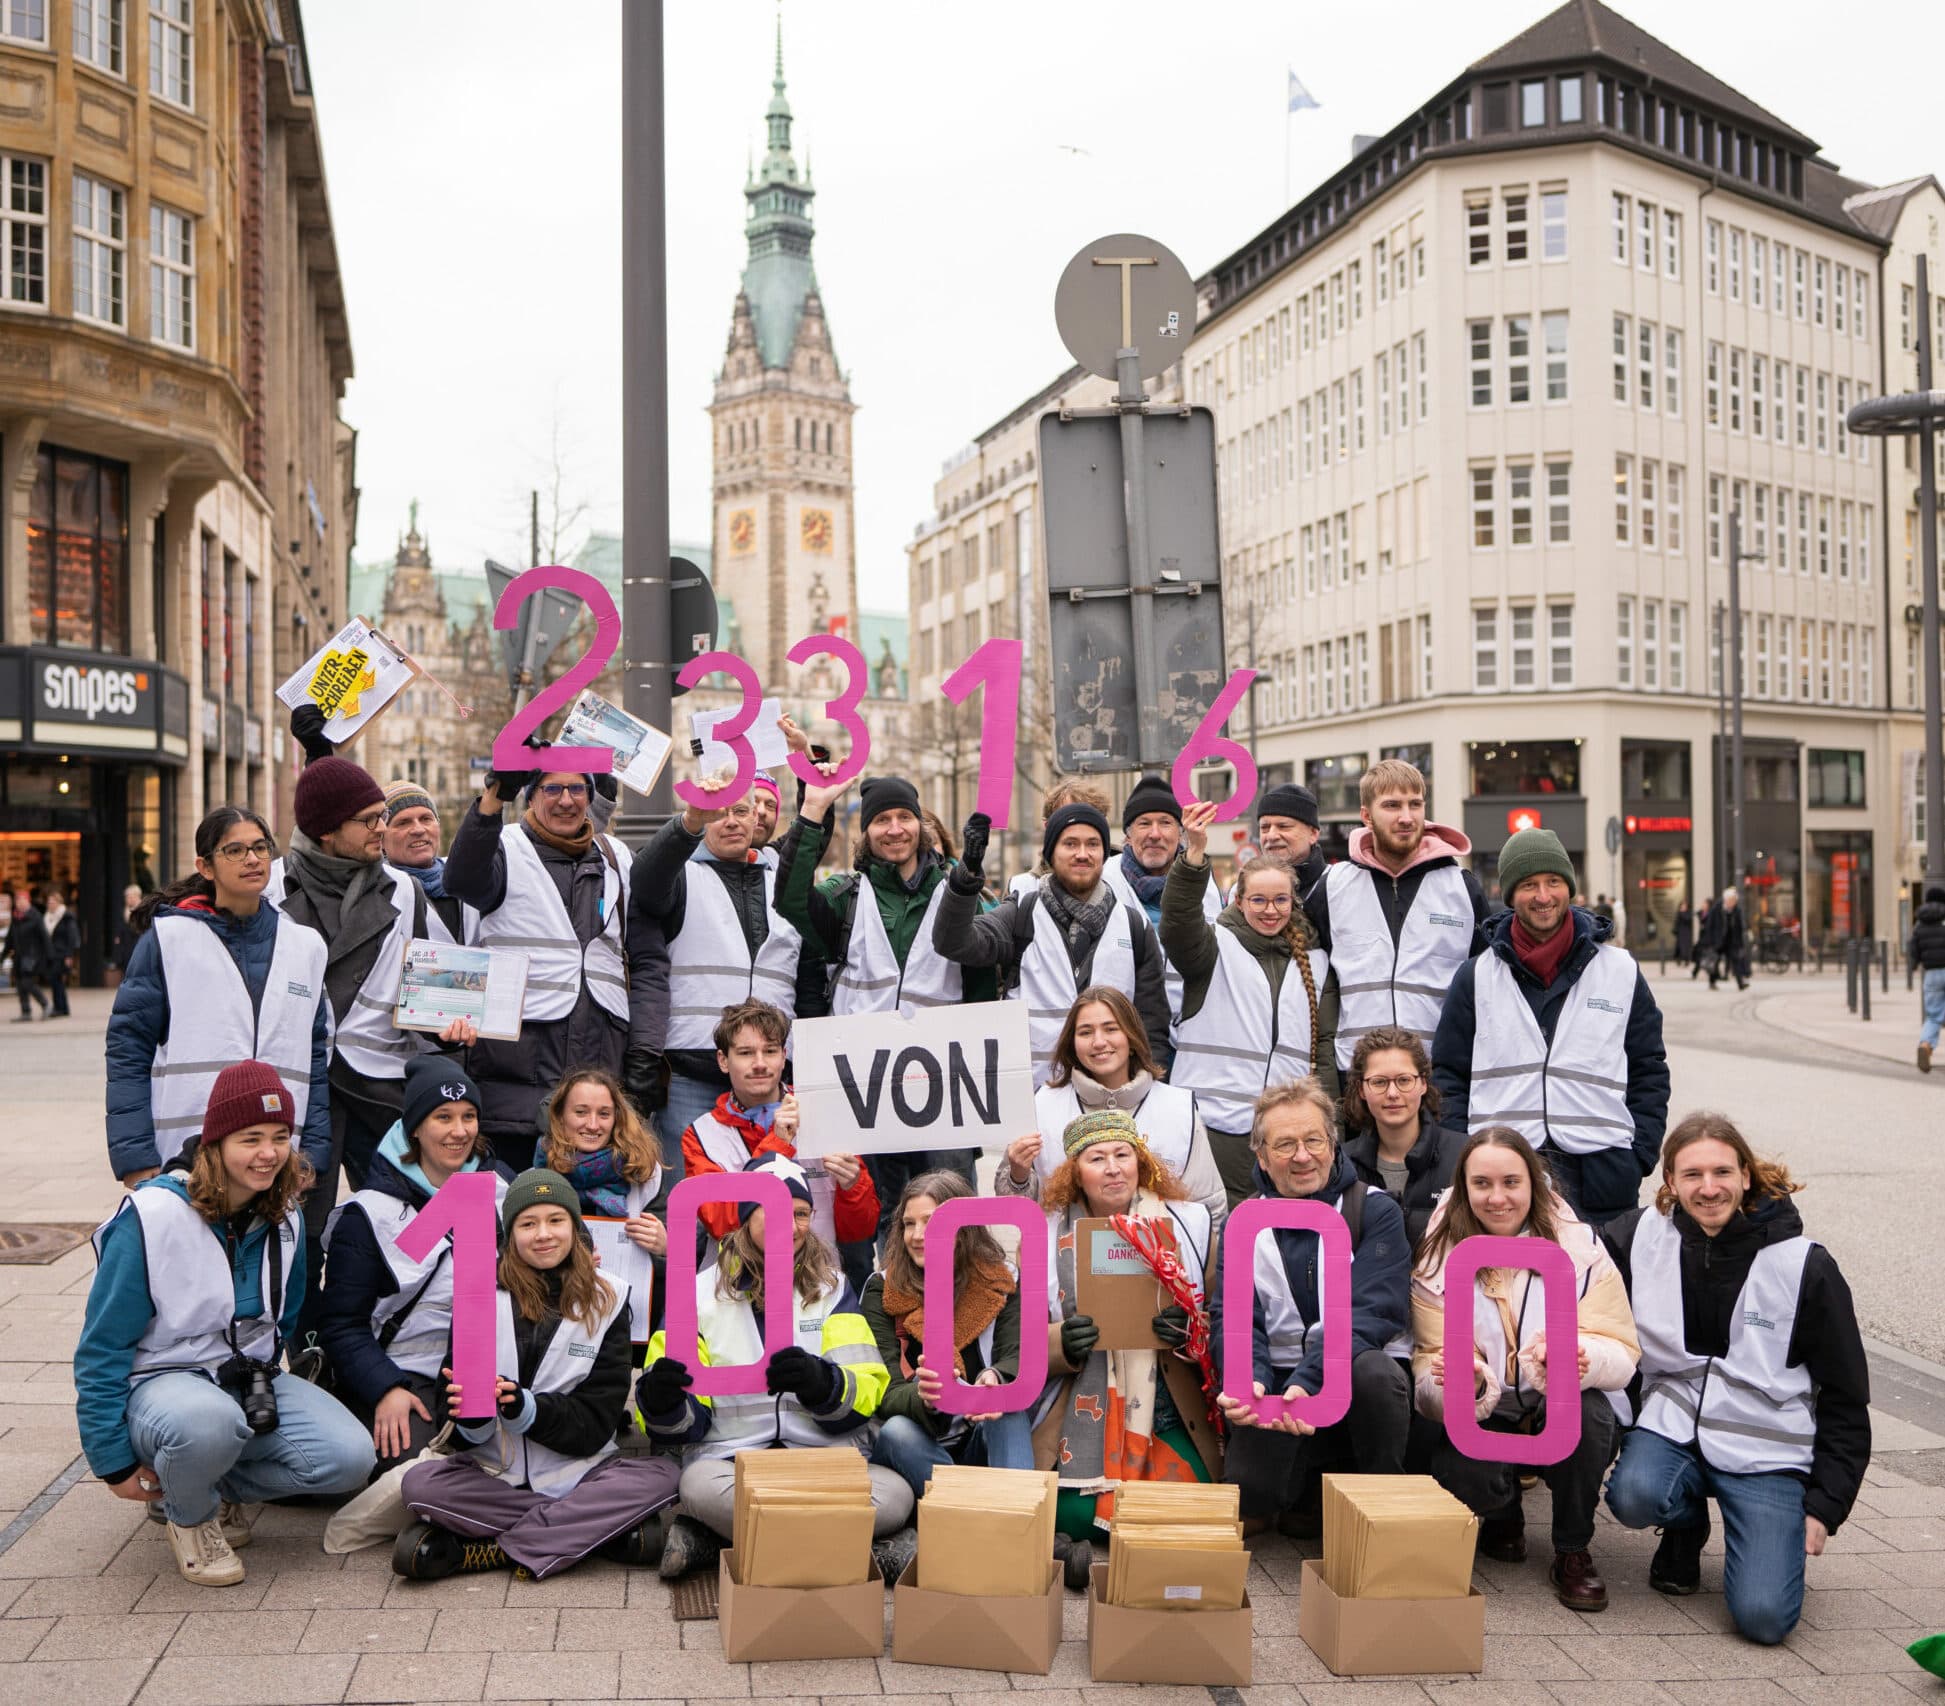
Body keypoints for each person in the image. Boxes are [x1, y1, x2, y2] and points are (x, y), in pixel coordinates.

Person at [75, 1062, 375, 1587]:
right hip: (160, 1385)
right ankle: (189, 1518)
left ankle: (210, 1488)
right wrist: (113, 1462)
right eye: (250, 1138)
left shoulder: (286, 1215)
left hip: (240, 1373)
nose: (268, 1153)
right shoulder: (152, 1217)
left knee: (349, 1456)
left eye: (280, 1137)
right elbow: (101, 1348)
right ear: (216, 1141)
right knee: (207, 1422)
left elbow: (283, 1318)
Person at [1602, 1113, 1871, 1644]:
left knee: (1764, 1620)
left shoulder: (1805, 1265)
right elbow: (1570, 1260)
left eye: (1722, 1172)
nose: (1708, 1188)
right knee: (1632, 1495)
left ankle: (1763, 1540)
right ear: (1670, 1183)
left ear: (1747, 1175)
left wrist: (1824, 1509)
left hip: (1764, 1452)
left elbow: (1846, 1398)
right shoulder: (1640, 1236)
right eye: (1692, 1175)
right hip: (1674, 1426)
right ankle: (1685, 1527)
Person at [393, 1169, 679, 1580]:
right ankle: (596, 1533)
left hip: (580, 1471)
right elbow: (450, 1414)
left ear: (574, 1227)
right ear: (510, 1235)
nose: (543, 1234)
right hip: (494, 1475)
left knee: (663, 1477)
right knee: (421, 1485)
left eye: (555, 1220)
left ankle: (489, 1551)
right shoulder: (478, 1295)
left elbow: (597, 1424)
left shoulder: (611, 1297)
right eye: (528, 1224)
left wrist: (527, 1410)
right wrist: (471, 1422)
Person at [637, 1153, 910, 1580]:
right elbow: (684, 1426)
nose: (791, 1223)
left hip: (822, 1460)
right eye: (776, 1209)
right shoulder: (698, 1291)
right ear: (746, 1217)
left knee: (894, 1495)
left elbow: (865, 1392)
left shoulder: (833, 1287)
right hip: (734, 1462)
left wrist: (823, 1384)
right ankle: (855, 1548)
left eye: (801, 1213)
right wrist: (662, 1400)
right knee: (695, 1486)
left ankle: (723, 1540)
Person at [1410, 1126, 1639, 1613]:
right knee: (1455, 1465)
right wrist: (1461, 1379)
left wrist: (1583, 1358)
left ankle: (1572, 1548)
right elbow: (1427, 1371)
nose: (1497, 1198)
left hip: (1555, 1398)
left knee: (1593, 1416)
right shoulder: (1436, 1258)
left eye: (1511, 1182)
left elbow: (1621, 1349)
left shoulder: (1579, 1248)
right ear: (1463, 1188)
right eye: (1482, 1184)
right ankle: (1503, 1513)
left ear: (1534, 1184)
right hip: (1488, 1407)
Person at [774, 765, 990, 1216]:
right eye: (881, 820)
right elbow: (792, 901)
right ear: (866, 831)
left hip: (944, 1087)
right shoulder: (847, 895)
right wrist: (813, 810)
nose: (894, 830)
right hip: (865, 1089)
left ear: (920, 824)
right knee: (882, 1217)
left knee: (952, 1215)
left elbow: (991, 963)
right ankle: (886, 1290)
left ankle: (957, 1290)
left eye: (903, 817)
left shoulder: (960, 892)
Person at [1432, 828, 1669, 1227]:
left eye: (1553, 882)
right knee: (1512, 1287)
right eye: (1529, 885)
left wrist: (1639, 1155)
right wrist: (1463, 1153)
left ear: (1570, 888)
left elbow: (1649, 1068)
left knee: (1602, 1289)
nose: (1543, 896)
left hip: (1603, 1179)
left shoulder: (1620, 971)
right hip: (1505, 1178)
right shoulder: (1475, 977)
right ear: (1510, 895)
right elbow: (1448, 1075)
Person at [1211, 1079, 1412, 1533]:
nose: (1302, 1156)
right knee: (1251, 1492)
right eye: (1285, 1145)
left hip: (1350, 1378)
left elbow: (1371, 1312)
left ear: (1333, 1143)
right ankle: (1305, 1492)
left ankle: (1380, 1507)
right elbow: (1235, 1317)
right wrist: (1251, 1382)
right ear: (1261, 1157)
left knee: (1377, 1376)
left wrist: (1310, 1379)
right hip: (1279, 1379)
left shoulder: (1374, 1210)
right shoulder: (1244, 1223)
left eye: (1313, 1140)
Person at [445, 751, 658, 1172]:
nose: (566, 800)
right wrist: (492, 799)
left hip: (596, 1079)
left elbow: (646, 961)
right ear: (530, 796)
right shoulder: (502, 847)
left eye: (577, 788)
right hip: (513, 1082)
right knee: (517, 1216)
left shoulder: (616, 858)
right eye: (552, 788)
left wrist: (643, 1054)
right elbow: (462, 878)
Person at [105, 806, 331, 1190]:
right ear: (205, 866)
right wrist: (135, 1157)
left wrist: (314, 1153)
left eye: (261, 848)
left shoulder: (305, 945)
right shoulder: (169, 939)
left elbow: (315, 1054)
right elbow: (128, 1048)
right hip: (186, 1154)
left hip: (275, 1156)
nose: (252, 859)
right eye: (235, 851)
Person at [1036, 1109, 1222, 1567]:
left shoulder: (1189, 1223)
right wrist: (1062, 1342)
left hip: (1166, 1403)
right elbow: (1017, 1340)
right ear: (1075, 1174)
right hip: (1081, 1401)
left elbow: (1216, 1317)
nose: (1114, 1167)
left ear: (1141, 1163)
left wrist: (1186, 1330)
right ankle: (1087, 1542)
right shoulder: (1043, 1235)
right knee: (1073, 1508)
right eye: (1097, 1158)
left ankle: (1108, 1539)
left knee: (1192, 1499)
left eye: (1123, 1154)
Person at [268, 730, 444, 1200]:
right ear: (326, 831)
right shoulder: (269, 889)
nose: (381, 830)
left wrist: (448, 1029)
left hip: (380, 1085)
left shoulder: (406, 890)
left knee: (404, 1225)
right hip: (302, 1087)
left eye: (380, 818)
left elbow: (425, 995)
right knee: (300, 1228)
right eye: (368, 821)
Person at [318, 1058, 511, 1471]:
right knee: (420, 1470)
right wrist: (385, 1387)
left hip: (491, 1372)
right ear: (415, 1128)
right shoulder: (370, 1213)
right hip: (404, 1375)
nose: (459, 1131)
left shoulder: (500, 1188)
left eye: (469, 1117)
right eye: (443, 1117)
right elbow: (341, 1324)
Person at [1163, 801, 1334, 1208]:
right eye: (1258, 901)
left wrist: (1329, 1126)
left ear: (1293, 903)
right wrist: (1194, 852)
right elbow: (1177, 921)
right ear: (1239, 901)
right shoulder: (1212, 947)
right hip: (1213, 1128)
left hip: (1286, 1135)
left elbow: (1323, 1051)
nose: (1270, 911)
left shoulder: (1316, 961)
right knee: (1216, 1244)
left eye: (1280, 901)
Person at [934, 803, 1172, 1086]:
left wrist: (1147, 1091)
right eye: (1070, 843)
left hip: (1110, 1102)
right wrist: (966, 876)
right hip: (1033, 1097)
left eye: (1093, 844)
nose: (1082, 854)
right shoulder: (1021, 914)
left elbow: (1153, 1025)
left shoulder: (1133, 926)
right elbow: (954, 942)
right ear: (1050, 853)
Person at [628, 776, 801, 1165]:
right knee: (692, 1202)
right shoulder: (680, 875)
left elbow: (810, 837)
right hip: (693, 1071)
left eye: (740, 811)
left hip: (766, 1075)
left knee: (769, 1196)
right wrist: (687, 822)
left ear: (757, 816)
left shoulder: (778, 878)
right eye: (717, 813)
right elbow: (645, 881)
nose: (731, 821)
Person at [863, 1172, 1036, 1513]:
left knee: (1006, 1407)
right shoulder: (881, 1289)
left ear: (964, 1229)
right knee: (897, 1431)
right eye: (909, 1224)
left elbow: (1015, 1352)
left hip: (978, 1437)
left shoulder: (1004, 1278)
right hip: (919, 1445)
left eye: (931, 1222)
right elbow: (883, 1390)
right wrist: (923, 1397)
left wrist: (995, 1378)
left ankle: (1020, 1515)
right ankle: (979, 1520)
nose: (917, 1235)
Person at [1304, 759, 1488, 1072]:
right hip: (1356, 1077)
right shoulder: (1333, 887)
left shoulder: (1461, 888)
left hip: (1437, 1075)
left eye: (1415, 804)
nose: (1406, 817)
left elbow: (1487, 987)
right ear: (1366, 816)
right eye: (1391, 805)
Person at [1001, 985, 1226, 1230]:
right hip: (1063, 1262)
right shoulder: (1042, 1104)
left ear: (1132, 1037)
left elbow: (1208, 1208)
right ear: (1072, 1043)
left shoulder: (1178, 1107)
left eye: (1111, 1029)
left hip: (1158, 1264)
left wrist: (1186, 1261)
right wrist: (1018, 1175)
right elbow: (1013, 1210)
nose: (1099, 1042)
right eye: (1086, 1032)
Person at [678, 999, 878, 1252]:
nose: (760, 1063)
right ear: (723, 1060)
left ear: (784, 1057)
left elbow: (859, 1230)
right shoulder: (701, 1135)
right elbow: (721, 1222)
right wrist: (778, 1145)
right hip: (737, 1285)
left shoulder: (825, 1111)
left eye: (770, 1051)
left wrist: (853, 1186)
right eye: (746, 1053)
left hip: (818, 1282)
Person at [541, 1067, 670, 1325]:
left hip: (630, 1321)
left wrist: (666, 1247)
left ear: (617, 1118)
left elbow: (678, 1269)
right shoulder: (539, 1177)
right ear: (560, 1116)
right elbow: (515, 1265)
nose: (592, 1124)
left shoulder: (646, 1173)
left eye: (604, 1114)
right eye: (580, 1112)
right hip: (555, 1320)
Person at [1340, 1027, 1457, 1249]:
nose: (1392, 1093)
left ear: (1423, 1084)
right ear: (1362, 1090)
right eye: (1379, 1082)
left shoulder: (1464, 1156)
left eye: (1404, 1080)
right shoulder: (1341, 1164)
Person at [381, 779, 471, 944]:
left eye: (426, 819)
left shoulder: (470, 882)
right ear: (381, 839)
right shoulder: (377, 895)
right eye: (403, 823)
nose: (418, 829)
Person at [1252, 781, 1329, 899]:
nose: (1271, 836)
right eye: (1265, 828)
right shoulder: (1243, 890)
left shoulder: (1337, 887)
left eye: (1283, 826)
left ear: (1313, 834)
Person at [1909, 886, 1945, 1072]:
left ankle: (1925, 1045)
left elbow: (1913, 948)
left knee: (1933, 1016)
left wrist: (1914, 965)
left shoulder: (1919, 924)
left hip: (1931, 973)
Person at [4, 886, 51, 1020]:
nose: (19, 903)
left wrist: (50, 955)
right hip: (19, 957)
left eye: (22, 900)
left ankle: (45, 1004)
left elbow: (45, 937)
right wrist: (3, 956)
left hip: (32, 956)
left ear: (28, 901)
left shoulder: (35, 916)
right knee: (20, 984)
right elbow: (10, 938)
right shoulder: (16, 917)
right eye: (17, 901)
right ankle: (26, 1012)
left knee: (27, 982)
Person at [1705, 885, 1749, 991]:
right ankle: (1712, 982)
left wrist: (1740, 942)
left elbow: (1740, 926)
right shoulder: (1717, 907)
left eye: (1735, 900)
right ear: (1726, 899)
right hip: (1718, 940)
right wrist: (1710, 940)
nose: (1733, 902)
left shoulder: (1737, 910)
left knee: (1736, 961)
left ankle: (1740, 983)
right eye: (1732, 900)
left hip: (1731, 941)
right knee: (1714, 961)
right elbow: (1710, 924)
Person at [43, 886, 77, 1016]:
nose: (50, 904)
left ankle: (60, 1008)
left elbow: (72, 937)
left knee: (56, 980)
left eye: (53, 902)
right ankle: (62, 1008)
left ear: (59, 903)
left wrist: (69, 955)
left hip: (62, 954)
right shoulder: (46, 917)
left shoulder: (67, 916)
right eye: (49, 902)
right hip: (51, 954)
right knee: (55, 981)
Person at [111, 882, 143, 975]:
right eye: (126, 897)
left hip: (137, 949)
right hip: (124, 951)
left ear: (136, 896)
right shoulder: (124, 911)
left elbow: (139, 929)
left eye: (129, 896)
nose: (127, 899)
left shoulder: (142, 910)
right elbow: (119, 928)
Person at [1672, 900, 1694, 965]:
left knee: (1686, 947)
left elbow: (1688, 919)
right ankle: (1678, 959)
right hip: (1680, 932)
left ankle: (1686, 959)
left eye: (1684, 906)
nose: (1683, 907)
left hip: (1686, 932)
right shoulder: (1678, 913)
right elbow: (1676, 922)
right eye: (1682, 906)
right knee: (1679, 947)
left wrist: (1682, 913)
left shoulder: (1688, 913)